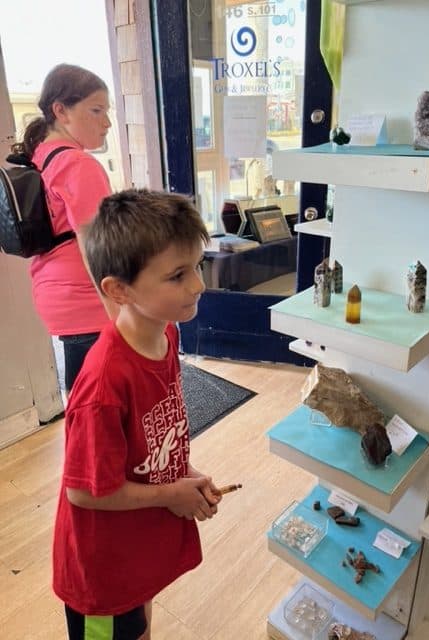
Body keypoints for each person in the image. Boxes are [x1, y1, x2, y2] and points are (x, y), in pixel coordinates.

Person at [52, 189, 222, 640]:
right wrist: (172, 494)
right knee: (116, 629)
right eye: (177, 275)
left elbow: (154, 435)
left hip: (134, 547)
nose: (198, 285)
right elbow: (84, 494)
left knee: (139, 623)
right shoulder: (104, 384)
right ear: (118, 290)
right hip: (102, 569)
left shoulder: (166, 336)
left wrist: (183, 472)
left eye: (198, 266)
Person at [12, 63, 115, 393]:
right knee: (98, 399)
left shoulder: (43, 153)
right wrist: (118, 310)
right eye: (96, 110)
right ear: (61, 111)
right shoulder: (79, 163)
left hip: (53, 290)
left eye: (107, 111)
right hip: (85, 298)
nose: (107, 122)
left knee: (83, 392)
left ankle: (82, 440)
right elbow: (95, 246)